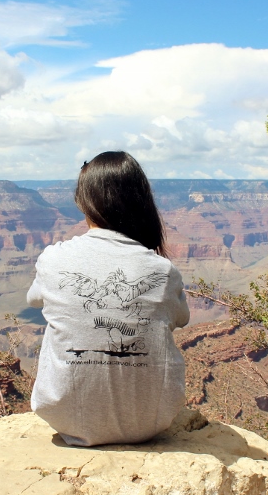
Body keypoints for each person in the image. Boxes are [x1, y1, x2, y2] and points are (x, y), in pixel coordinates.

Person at [27, 151, 190, 446]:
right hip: (150, 420)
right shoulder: (163, 270)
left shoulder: (53, 258)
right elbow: (182, 319)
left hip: (64, 415)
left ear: (83, 202)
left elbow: (33, 300)